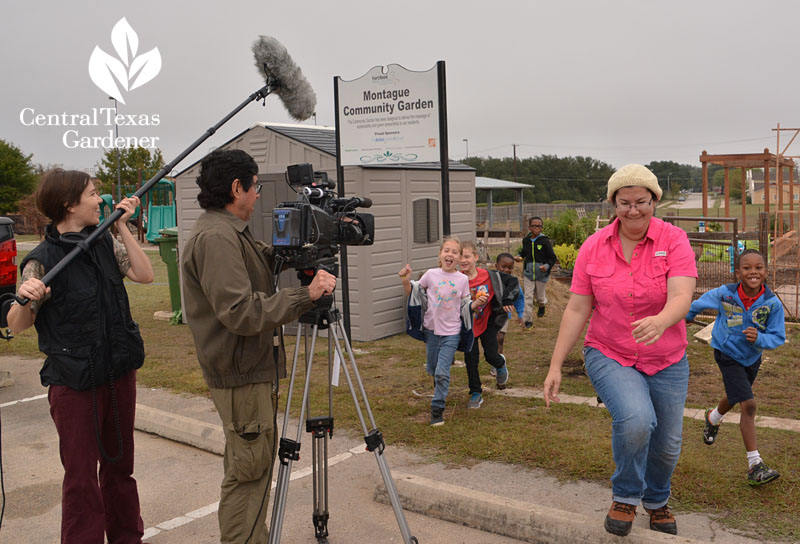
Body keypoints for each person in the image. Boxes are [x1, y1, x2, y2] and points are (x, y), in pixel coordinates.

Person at [180, 149, 336, 544]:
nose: (257, 195)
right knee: (248, 475)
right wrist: (307, 294)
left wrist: (294, 254)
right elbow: (240, 311)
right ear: (237, 188)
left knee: (252, 468)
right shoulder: (217, 237)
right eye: (255, 187)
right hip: (240, 372)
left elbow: (257, 263)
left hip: (247, 368)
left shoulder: (229, 232)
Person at [543, 164, 697, 537]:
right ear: (613, 202)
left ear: (654, 200)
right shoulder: (594, 247)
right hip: (609, 352)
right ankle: (626, 496)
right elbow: (578, 308)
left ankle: (657, 500)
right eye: (624, 202)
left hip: (667, 357)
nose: (633, 210)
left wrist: (661, 321)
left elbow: (682, 295)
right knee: (635, 419)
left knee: (668, 444)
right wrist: (556, 365)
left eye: (641, 202)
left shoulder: (674, 240)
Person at [7, 169, 154, 543]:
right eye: (92, 194)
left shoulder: (104, 243)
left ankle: (127, 537)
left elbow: (145, 274)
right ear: (70, 204)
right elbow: (17, 323)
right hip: (74, 384)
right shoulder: (42, 259)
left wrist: (122, 226)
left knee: (121, 469)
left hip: (118, 373)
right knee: (81, 478)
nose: (100, 200)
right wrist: (30, 294)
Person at [686, 249, 784, 486]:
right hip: (727, 353)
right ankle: (755, 465)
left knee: (736, 394)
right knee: (748, 404)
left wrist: (760, 339)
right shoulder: (725, 294)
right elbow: (699, 303)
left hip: (752, 358)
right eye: (747, 268)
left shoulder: (771, 304)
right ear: (737, 272)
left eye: (758, 267)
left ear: (766, 271)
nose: (753, 272)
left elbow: (777, 336)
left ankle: (713, 417)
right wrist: (687, 315)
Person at [399, 236, 477, 426]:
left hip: (452, 332)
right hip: (431, 331)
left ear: (459, 259)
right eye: (446, 251)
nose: (450, 254)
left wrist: (476, 304)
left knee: (442, 372)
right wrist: (405, 281)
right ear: (440, 254)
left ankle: (437, 408)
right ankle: (439, 385)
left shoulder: (462, 280)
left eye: (455, 252)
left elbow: (466, 304)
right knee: (433, 369)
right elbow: (415, 293)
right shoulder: (430, 275)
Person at [461, 240, 518, 408]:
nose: (463, 260)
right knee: (470, 360)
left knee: (490, 356)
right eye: (460, 257)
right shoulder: (456, 280)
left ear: (476, 257)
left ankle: (500, 364)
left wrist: (507, 299)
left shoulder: (489, 276)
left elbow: (513, 282)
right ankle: (476, 393)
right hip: (468, 326)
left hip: (487, 323)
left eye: (467, 256)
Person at [515, 216, 556, 329]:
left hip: (541, 274)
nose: (537, 228)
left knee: (540, 298)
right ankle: (528, 321)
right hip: (528, 273)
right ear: (529, 227)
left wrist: (546, 266)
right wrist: (519, 256)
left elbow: (552, 257)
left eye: (539, 226)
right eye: (534, 226)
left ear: (542, 228)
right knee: (528, 297)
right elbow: (524, 252)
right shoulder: (526, 240)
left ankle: (542, 305)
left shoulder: (544, 241)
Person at [495, 252, 524, 357]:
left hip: (504, 314)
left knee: (500, 337)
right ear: (496, 266)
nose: (506, 270)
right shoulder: (491, 279)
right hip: (490, 313)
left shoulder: (513, 283)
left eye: (510, 268)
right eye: (503, 267)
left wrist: (520, 315)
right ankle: (493, 356)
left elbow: (519, 298)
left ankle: (499, 361)